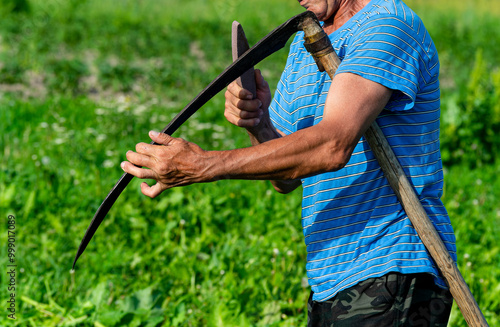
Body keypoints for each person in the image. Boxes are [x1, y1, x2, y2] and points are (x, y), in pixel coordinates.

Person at [121, 0, 457, 325]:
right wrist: (259, 123)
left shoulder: (387, 25)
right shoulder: (304, 43)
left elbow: (331, 146)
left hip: (394, 262)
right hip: (331, 275)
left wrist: (203, 165)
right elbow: (286, 179)